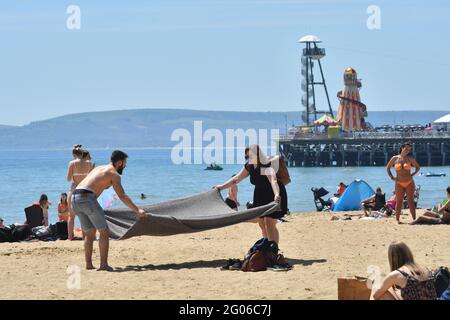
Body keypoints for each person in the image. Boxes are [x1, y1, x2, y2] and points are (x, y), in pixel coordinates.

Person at [71, 150, 146, 271]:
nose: (125, 166)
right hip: (87, 198)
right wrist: (138, 210)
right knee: (104, 232)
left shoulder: (99, 168)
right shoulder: (114, 174)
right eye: (125, 163)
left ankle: (89, 264)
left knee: (89, 233)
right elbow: (122, 196)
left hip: (75, 198)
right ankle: (103, 265)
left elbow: (93, 183)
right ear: (120, 162)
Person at [214, 145, 288, 245]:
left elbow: (273, 181)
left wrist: (277, 194)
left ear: (258, 155)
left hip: (272, 194)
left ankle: (273, 250)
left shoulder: (265, 165)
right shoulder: (249, 166)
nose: (249, 159)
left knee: (269, 223)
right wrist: (221, 187)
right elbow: (236, 179)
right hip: (260, 195)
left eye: (251, 156)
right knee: (262, 223)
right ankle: (266, 247)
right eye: (247, 157)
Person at [372, 241, 437, 300]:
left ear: (392, 258)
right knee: (388, 287)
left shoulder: (396, 274)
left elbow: (375, 295)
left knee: (380, 289)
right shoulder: (424, 269)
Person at [386, 142, 420, 224]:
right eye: (406, 148)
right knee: (399, 201)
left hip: (409, 182)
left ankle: (414, 219)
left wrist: (412, 174)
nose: (408, 150)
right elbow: (388, 168)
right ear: (402, 148)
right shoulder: (395, 158)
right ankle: (397, 220)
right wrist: (391, 177)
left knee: (410, 201)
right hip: (399, 183)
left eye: (409, 149)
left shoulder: (410, 158)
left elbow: (417, 167)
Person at [67, 144, 94, 240]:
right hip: (85, 190)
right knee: (84, 215)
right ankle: (84, 236)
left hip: (74, 189)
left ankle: (70, 237)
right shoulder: (89, 163)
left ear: (74, 154)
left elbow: (68, 179)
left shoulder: (72, 163)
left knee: (71, 215)